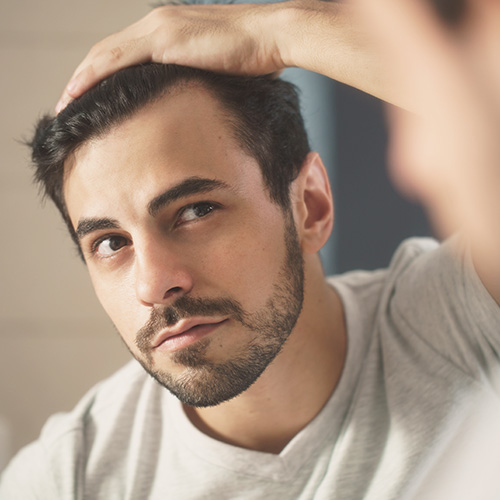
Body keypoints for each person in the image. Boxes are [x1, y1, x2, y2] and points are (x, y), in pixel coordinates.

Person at [1, 1, 500, 499]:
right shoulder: (68, 478)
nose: (154, 284)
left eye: (195, 211)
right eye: (110, 243)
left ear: (310, 204)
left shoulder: (463, 320)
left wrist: (276, 33)